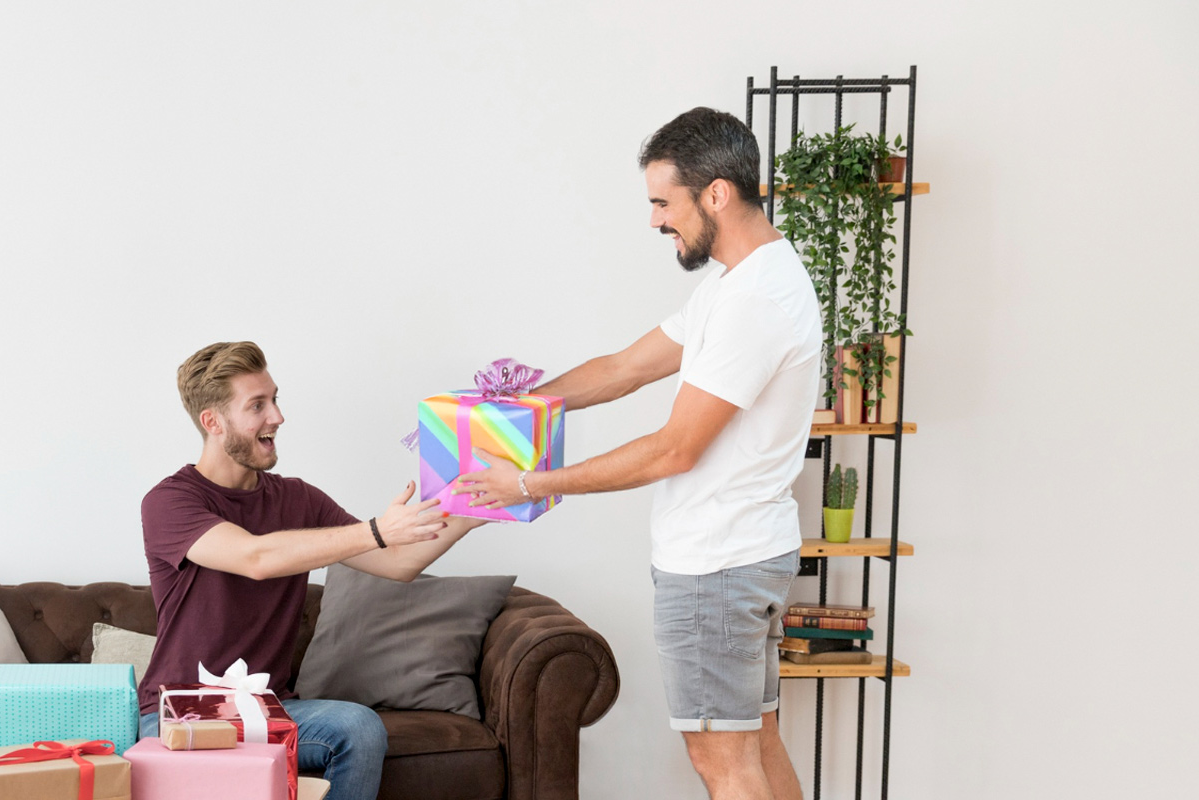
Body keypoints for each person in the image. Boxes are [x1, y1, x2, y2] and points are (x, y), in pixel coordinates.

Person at [460, 107, 818, 800]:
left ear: (716, 192)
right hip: (744, 553)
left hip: (717, 564)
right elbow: (626, 367)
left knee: (723, 761)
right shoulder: (737, 282)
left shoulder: (757, 301)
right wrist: (523, 407)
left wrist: (528, 483)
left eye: (663, 202)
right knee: (755, 745)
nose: (656, 220)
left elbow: (673, 449)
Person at [139, 340, 486, 800]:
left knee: (358, 729)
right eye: (257, 405)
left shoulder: (298, 499)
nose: (277, 417)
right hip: (180, 711)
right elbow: (255, 558)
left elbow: (398, 562)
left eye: (275, 399)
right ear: (213, 422)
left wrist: (484, 504)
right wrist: (377, 529)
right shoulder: (170, 501)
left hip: (268, 711)